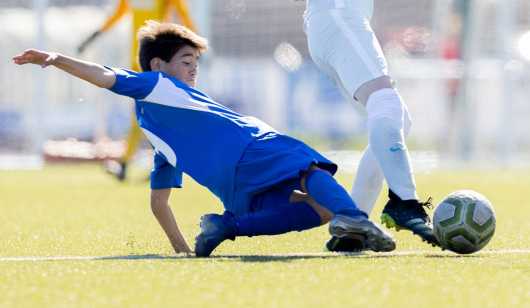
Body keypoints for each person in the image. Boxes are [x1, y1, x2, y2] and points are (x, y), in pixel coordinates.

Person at [249, 0, 476, 251]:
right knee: (387, 107)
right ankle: (405, 204)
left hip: (341, 28)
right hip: (335, 20)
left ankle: (354, 224)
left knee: (393, 121)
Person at [13, 21, 395, 256]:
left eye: (196, 65)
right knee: (308, 168)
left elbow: (159, 202)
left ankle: (226, 227)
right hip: (252, 146)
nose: (193, 71)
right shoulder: (156, 83)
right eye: (186, 63)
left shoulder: (156, 132)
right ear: (158, 65)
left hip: (234, 188)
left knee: (319, 210)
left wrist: (181, 248)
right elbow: (105, 75)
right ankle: (355, 219)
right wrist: (57, 58)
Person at [78, 0, 197, 181]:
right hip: (138, 52)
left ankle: (132, 163)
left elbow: (181, 7)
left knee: (150, 107)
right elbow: (120, 9)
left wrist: (194, 41)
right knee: (145, 107)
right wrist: (96, 33)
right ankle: (157, 162)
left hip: (161, 52)